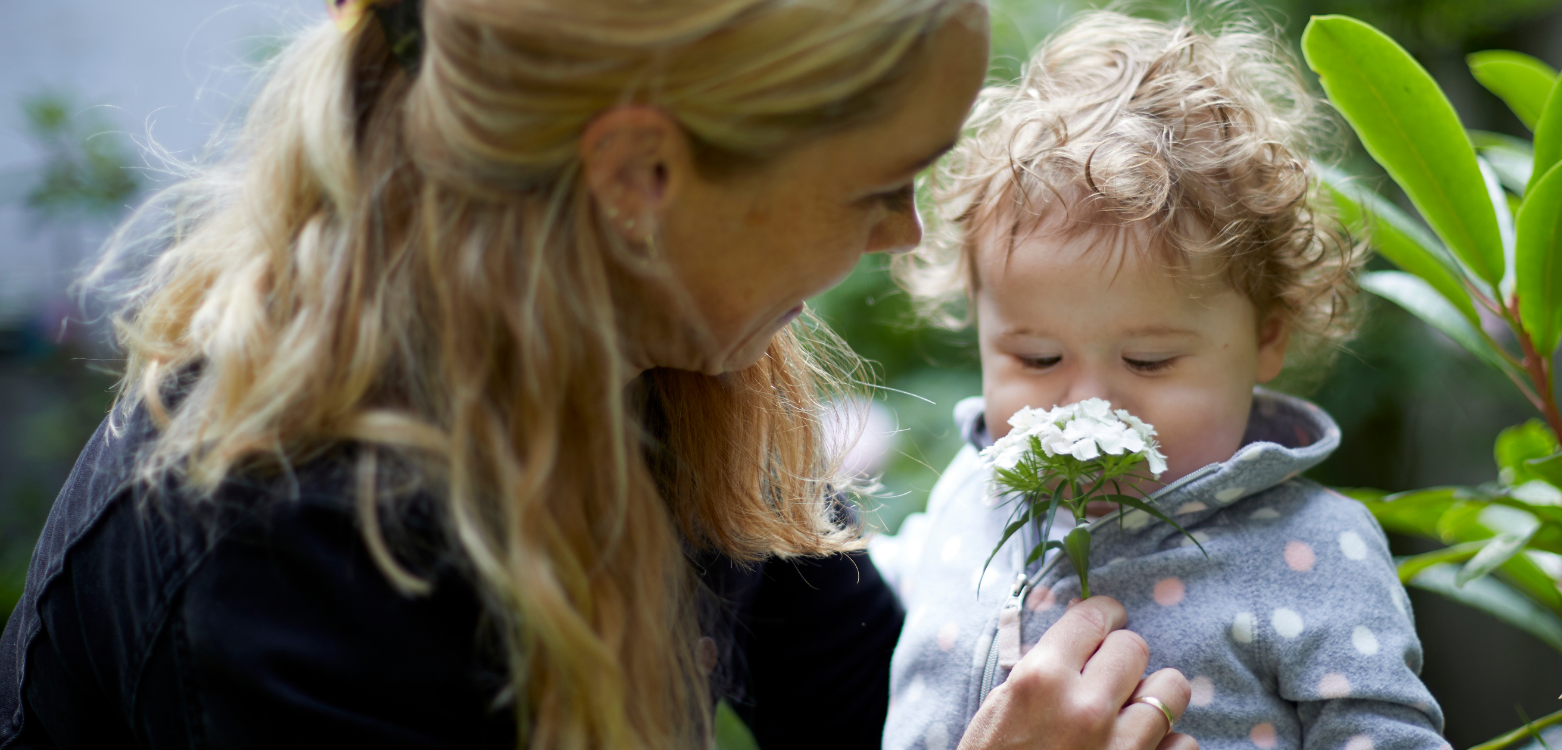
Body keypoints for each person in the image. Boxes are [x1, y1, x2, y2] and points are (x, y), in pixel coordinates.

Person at [0, 0, 1196, 748]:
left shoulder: (663, 363)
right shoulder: (291, 550)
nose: (904, 237)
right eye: (876, 187)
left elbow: (861, 703)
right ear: (637, 179)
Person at [871, 12, 1448, 750]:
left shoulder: (1311, 550)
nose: (1085, 405)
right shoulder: (970, 492)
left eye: (1149, 361)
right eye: (1037, 359)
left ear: (1267, 337)